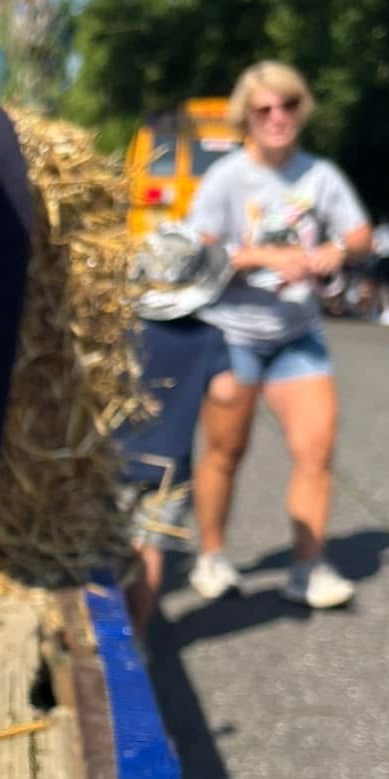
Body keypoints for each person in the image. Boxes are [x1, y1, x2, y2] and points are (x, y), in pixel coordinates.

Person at [183, 60, 371, 610]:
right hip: (232, 332)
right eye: (263, 109)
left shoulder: (320, 175)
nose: (276, 117)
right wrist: (264, 256)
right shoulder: (227, 178)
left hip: (296, 333)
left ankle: (308, 569)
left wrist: (338, 249)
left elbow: (361, 233)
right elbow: (197, 250)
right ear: (246, 117)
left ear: (300, 110)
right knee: (225, 451)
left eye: (287, 105)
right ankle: (211, 556)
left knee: (317, 449)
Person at [116, 226, 236, 632]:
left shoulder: (121, 329)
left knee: (105, 548)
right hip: (170, 469)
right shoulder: (209, 337)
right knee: (150, 551)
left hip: (113, 458)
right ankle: (138, 635)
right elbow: (226, 393)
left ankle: (101, 630)